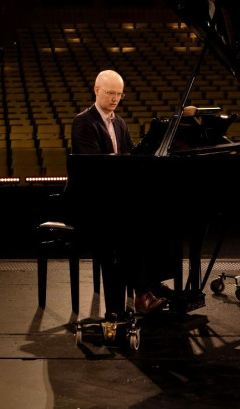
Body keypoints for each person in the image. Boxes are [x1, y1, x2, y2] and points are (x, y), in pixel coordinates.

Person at [71, 69, 171, 315]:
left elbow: (128, 164)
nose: (115, 98)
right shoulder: (83, 122)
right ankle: (141, 293)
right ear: (97, 90)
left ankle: (150, 287)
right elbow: (95, 167)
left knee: (153, 223)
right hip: (92, 202)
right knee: (130, 229)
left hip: (114, 200)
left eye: (119, 94)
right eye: (110, 93)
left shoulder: (120, 123)